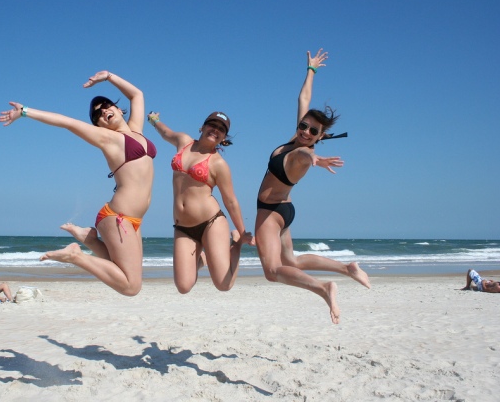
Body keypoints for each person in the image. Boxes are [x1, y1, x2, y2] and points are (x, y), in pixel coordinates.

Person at [0, 71, 154, 296]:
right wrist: (24, 112)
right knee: (131, 286)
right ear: (99, 126)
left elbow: (137, 94)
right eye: (98, 115)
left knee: (125, 272)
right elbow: (68, 123)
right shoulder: (108, 139)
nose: (104, 112)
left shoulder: (137, 131)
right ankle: (76, 256)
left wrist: (109, 77)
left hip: (134, 220)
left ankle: (88, 240)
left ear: (119, 109)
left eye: (107, 106)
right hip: (118, 217)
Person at [254, 48, 370, 324]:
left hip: (271, 212)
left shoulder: (302, 153)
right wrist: (311, 70)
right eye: (304, 126)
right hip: (285, 209)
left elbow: (304, 156)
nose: (305, 131)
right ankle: (347, 268)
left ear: (320, 137)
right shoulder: (297, 139)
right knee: (291, 262)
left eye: (312, 131)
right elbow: (303, 98)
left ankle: (323, 288)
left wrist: (315, 159)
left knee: (272, 271)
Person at [147, 111, 254, 293]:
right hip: (183, 227)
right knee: (184, 286)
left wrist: (243, 233)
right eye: (212, 125)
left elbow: (230, 201)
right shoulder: (183, 142)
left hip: (211, 222)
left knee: (223, 285)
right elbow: (166, 133)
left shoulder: (219, 163)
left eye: (221, 129)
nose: (215, 130)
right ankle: (203, 258)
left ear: (224, 137)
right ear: (202, 127)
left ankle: (235, 244)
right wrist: (154, 120)